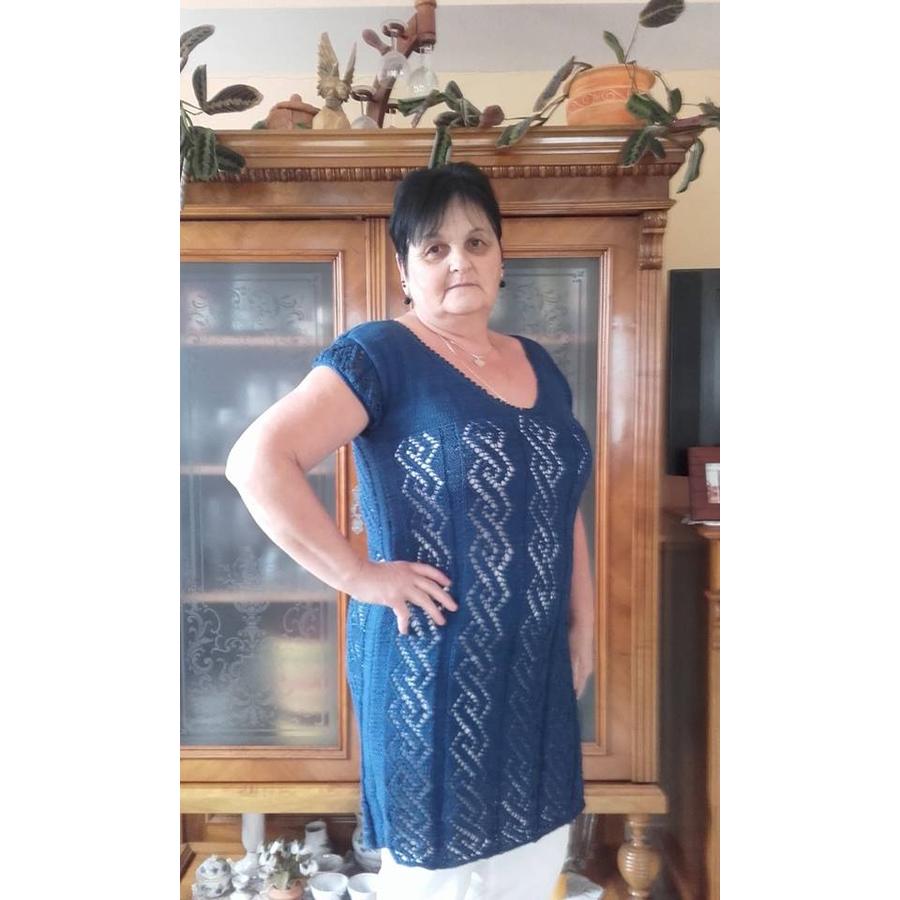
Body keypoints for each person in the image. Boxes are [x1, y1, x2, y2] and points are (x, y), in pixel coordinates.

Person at [225, 161, 596, 899]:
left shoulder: (538, 363)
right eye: (435, 248)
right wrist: (360, 575)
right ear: (404, 271)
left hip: (535, 675)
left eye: (477, 242)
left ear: (501, 258)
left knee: (531, 868)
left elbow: (561, 503)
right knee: (439, 880)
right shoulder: (381, 354)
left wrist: (583, 626)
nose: (460, 261)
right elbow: (257, 461)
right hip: (431, 675)